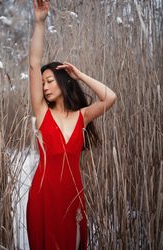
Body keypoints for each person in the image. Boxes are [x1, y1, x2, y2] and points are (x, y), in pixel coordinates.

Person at [26, 1, 117, 249]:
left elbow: (110, 97)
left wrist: (79, 75)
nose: (44, 87)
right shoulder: (42, 113)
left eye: (49, 81)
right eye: (42, 83)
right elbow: (34, 63)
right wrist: (40, 22)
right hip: (43, 197)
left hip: (73, 198)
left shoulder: (82, 117)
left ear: (64, 82)